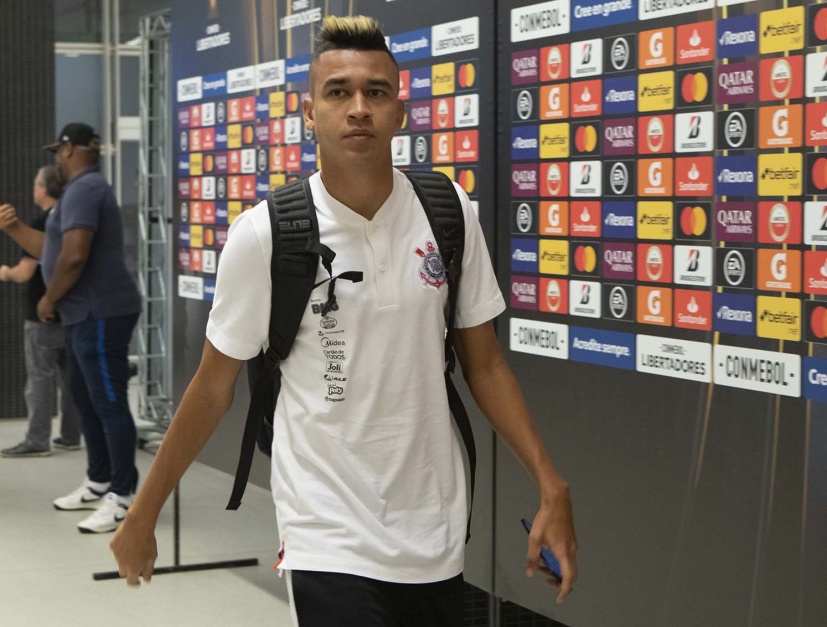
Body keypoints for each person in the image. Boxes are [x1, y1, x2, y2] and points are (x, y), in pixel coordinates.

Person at [110, 15, 577, 625]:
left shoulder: (448, 211)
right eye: (339, 93)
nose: (359, 108)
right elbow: (212, 388)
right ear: (310, 113)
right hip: (324, 528)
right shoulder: (265, 234)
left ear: (400, 113)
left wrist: (551, 483)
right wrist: (144, 512)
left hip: (434, 526)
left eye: (376, 92)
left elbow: (484, 363)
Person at [0, 123, 142, 534]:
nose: (54, 161)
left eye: (55, 153)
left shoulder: (85, 188)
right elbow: (52, 249)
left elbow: (75, 256)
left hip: (100, 312)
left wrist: (48, 299)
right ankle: (99, 482)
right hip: (84, 313)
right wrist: (13, 230)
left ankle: (122, 496)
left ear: (67, 150)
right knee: (85, 396)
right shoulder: (77, 192)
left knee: (109, 401)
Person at [0, 165, 82, 458]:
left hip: (41, 316)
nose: (34, 189)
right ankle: (71, 435)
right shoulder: (70, 220)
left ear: (44, 190)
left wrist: (5, 273)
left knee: (39, 378)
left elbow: (25, 271)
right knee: (71, 377)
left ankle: (37, 440)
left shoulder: (39, 223)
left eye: (36, 184)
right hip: (70, 313)